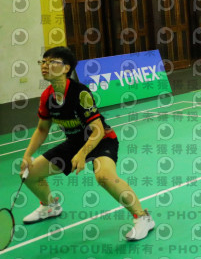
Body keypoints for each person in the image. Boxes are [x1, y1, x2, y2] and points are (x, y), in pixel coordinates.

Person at [20, 47, 154, 241]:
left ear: (66, 68)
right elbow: (42, 129)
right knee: (30, 173)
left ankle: (143, 217)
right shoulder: (47, 96)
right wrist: (27, 154)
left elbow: (97, 129)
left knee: (104, 177)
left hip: (102, 140)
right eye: (43, 61)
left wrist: (83, 154)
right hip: (75, 142)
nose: (45, 66)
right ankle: (50, 206)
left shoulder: (79, 93)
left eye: (52, 62)